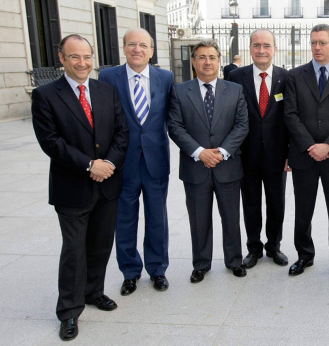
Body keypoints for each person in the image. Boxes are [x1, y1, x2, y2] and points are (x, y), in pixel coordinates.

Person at [31, 34, 128, 341]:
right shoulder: (45, 95)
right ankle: (69, 312)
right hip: (72, 187)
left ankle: (93, 292)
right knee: (74, 250)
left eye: (87, 57)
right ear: (62, 59)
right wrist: (90, 165)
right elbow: (51, 143)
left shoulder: (105, 91)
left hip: (108, 183)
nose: (82, 63)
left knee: (101, 244)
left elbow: (121, 132)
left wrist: (108, 164)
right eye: (75, 57)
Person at [99, 28, 174, 296]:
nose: (137, 49)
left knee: (157, 218)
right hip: (122, 163)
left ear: (152, 51)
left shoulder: (165, 77)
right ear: (124, 48)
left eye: (143, 45)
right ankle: (130, 272)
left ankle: (157, 269)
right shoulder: (108, 77)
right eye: (132, 44)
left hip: (155, 162)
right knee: (125, 219)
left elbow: (172, 117)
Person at [167, 40, 249, 283]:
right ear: (193, 62)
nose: (207, 62)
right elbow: (175, 126)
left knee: (231, 218)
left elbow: (242, 125)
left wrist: (222, 152)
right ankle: (200, 264)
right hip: (195, 167)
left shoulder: (234, 90)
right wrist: (200, 151)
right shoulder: (180, 91)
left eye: (212, 57)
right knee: (198, 219)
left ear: (219, 60)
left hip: (228, 166)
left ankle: (234, 260)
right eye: (201, 57)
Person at [284, 24, 329, 279]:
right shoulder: (294, 76)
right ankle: (304, 255)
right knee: (303, 209)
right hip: (304, 156)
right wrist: (310, 146)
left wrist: (328, 145)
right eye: (314, 42)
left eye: (323, 42)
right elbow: (290, 115)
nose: (317, 47)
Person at [228, 29, 290, 268]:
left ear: (274, 49)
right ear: (250, 49)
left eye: (266, 45)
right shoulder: (235, 77)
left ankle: (274, 246)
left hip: (277, 155)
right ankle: (253, 248)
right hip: (246, 154)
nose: (261, 50)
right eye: (256, 45)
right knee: (250, 203)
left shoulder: (286, 78)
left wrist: (291, 153)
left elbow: (291, 117)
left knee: (277, 203)